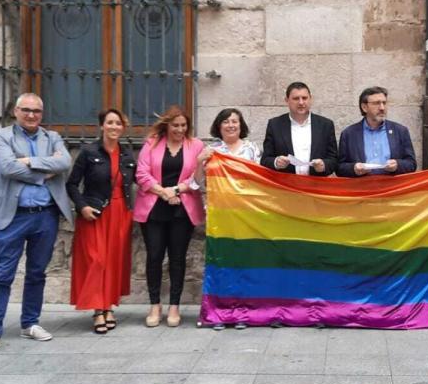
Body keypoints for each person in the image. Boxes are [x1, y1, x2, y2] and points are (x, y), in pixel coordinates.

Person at [0, 93, 73, 358]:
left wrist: (29, 162)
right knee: (3, 274)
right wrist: (44, 173)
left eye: (37, 111)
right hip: (13, 216)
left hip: (45, 215)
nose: (32, 115)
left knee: (37, 273)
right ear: (16, 111)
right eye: (26, 110)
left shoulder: (52, 138)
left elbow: (64, 162)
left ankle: (30, 323)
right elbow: (8, 168)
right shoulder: (3, 137)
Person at [134, 106, 211, 328]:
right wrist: (163, 192)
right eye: (175, 125)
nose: (179, 129)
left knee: (178, 258)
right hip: (153, 208)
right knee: (155, 256)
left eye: (183, 125)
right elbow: (141, 173)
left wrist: (175, 191)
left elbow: (196, 178)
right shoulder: (152, 143)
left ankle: (174, 306)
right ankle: (154, 305)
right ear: (167, 125)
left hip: (182, 208)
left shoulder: (196, 145)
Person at [65, 109, 136, 334]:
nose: (114, 127)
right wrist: (82, 206)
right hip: (95, 212)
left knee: (114, 261)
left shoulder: (127, 154)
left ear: (122, 128)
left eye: (118, 123)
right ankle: (98, 309)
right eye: (110, 123)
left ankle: (109, 306)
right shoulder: (88, 152)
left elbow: (135, 181)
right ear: (102, 126)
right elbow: (72, 184)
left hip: (121, 212)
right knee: (97, 260)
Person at [207, 108, 261, 331]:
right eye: (226, 121)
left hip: (244, 213)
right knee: (220, 262)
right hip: (219, 214)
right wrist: (200, 161)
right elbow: (196, 181)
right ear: (219, 126)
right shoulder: (211, 150)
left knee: (243, 263)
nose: (231, 125)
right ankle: (219, 311)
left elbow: (259, 180)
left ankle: (241, 311)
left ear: (241, 125)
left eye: (235, 121)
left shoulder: (251, 149)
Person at [261, 82, 338, 176]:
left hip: (317, 186)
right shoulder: (275, 125)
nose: (301, 102)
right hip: (286, 186)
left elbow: (334, 159)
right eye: (296, 98)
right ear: (287, 100)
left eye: (304, 98)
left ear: (311, 99)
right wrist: (276, 162)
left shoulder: (325, 125)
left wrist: (324, 165)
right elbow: (265, 160)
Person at [337, 86, 417, 177]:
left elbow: (412, 164)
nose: (382, 108)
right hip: (362, 187)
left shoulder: (400, 131)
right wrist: (354, 168)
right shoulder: (349, 134)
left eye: (384, 103)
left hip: (392, 188)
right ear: (364, 107)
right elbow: (340, 168)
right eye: (376, 103)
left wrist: (397, 165)